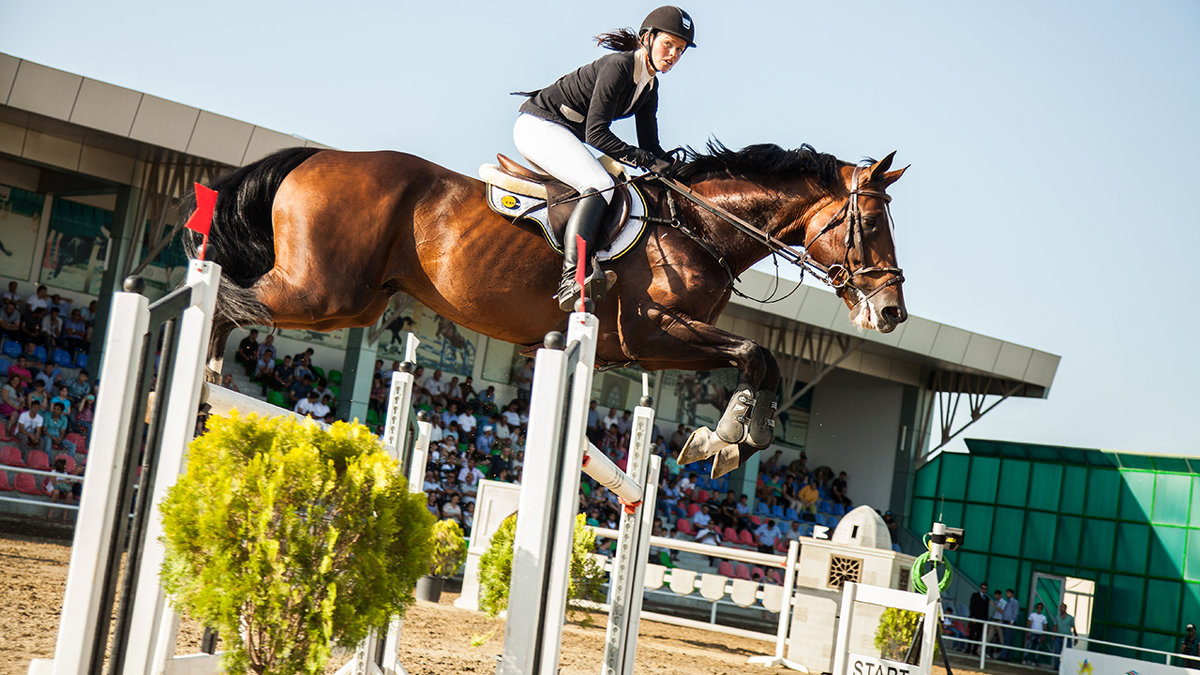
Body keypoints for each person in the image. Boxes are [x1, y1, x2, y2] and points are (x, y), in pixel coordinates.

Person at [512, 6, 695, 310]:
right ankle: (572, 278)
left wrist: (681, 171)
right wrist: (645, 160)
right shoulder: (619, 67)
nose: (674, 54)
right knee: (598, 183)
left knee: (614, 180)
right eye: (669, 44)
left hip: (564, 134)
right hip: (539, 126)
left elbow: (651, 146)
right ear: (647, 38)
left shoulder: (650, 86)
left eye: (680, 49)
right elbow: (597, 134)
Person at [1052, 603, 1076, 669]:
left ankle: (1066, 668)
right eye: (1060, 607)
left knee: (1067, 652)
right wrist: (1053, 635)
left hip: (1067, 637)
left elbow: (1073, 627)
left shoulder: (1070, 618)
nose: (1061, 609)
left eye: (1062, 607)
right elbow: (1055, 626)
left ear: (1065, 609)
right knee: (1057, 651)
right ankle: (1056, 667)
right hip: (1058, 636)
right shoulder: (1057, 617)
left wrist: (1076, 637)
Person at [969, 583, 991, 655]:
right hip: (974, 618)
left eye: (985, 589)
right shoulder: (974, 596)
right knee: (971, 634)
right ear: (980, 588)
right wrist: (972, 617)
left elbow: (986, 611)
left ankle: (974, 650)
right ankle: (968, 648)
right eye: (982, 588)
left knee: (978, 636)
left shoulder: (987, 599)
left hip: (982, 620)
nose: (984, 590)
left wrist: (986, 621)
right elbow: (972, 606)